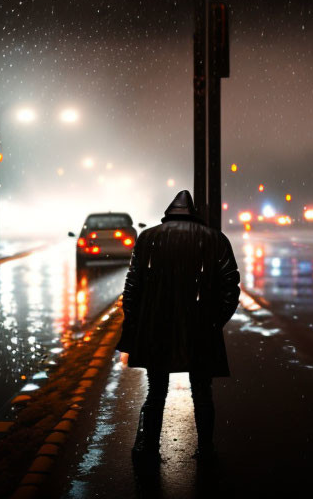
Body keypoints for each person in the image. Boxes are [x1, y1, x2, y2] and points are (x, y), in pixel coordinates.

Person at [116, 190, 241, 463]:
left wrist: (136, 321)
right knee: (202, 391)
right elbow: (230, 285)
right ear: (193, 213)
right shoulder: (214, 239)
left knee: (156, 391)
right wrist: (214, 320)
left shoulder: (148, 238)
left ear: (168, 213)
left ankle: (149, 448)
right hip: (200, 327)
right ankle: (206, 449)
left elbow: (132, 286)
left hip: (156, 326)